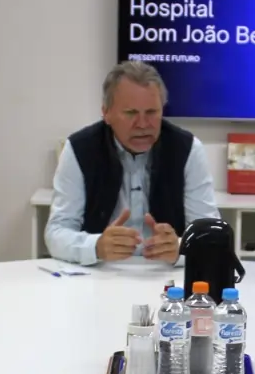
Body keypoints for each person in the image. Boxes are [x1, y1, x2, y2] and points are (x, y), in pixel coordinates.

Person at [45, 61, 221, 265]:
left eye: (151, 112)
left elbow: (211, 236)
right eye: (131, 113)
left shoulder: (188, 149)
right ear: (106, 113)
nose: (143, 124)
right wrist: (95, 246)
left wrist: (181, 248)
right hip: (100, 271)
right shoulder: (79, 149)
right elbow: (56, 233)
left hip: (166, 273)